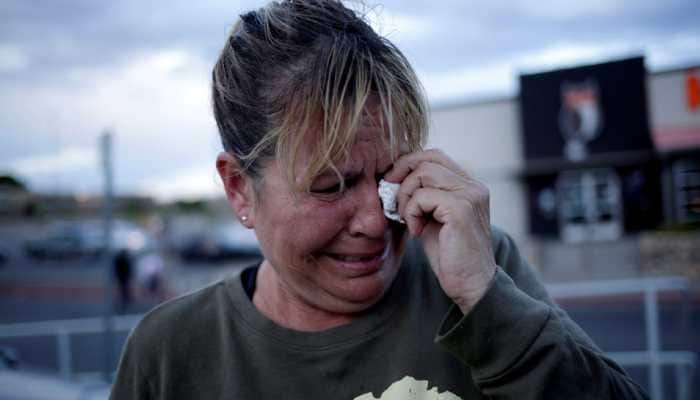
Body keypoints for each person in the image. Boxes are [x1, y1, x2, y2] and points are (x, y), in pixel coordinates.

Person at [110, 1, 649, 399]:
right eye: (329, 186)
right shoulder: (169, 354)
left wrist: (487, 300)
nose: (376, 220)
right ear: (238, 188)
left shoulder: (480, 274)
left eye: (390, 174)